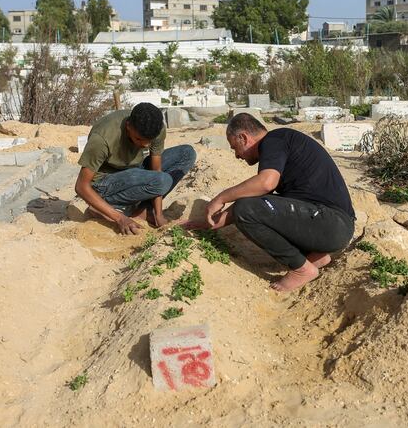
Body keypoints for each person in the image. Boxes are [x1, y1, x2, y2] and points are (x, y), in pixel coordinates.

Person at [187, 113, 355, 292]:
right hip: (330, 225)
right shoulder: (279, 144)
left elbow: (266, 184)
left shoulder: (274, 140)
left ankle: (302, 269)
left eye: (234, 147)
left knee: (246, 208)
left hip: (331, 224)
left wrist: (220, 198)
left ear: (243, 138)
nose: (236, 155)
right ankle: (314, 257)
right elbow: (260, 204)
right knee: (252, 206)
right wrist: (209, 224)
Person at [76, 103, 196, 235]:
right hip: (105, 182)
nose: (144, 145)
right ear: (128, 126)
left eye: (149, 141)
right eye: (139, 139)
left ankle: (145, 210)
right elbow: (81, 186)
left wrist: (159, 215)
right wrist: (120, 219)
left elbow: (156, 171)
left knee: (187, 153)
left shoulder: (155, 128)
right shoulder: (102, 138)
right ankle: (107, 207)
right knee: (162, 181)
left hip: (135, 170)